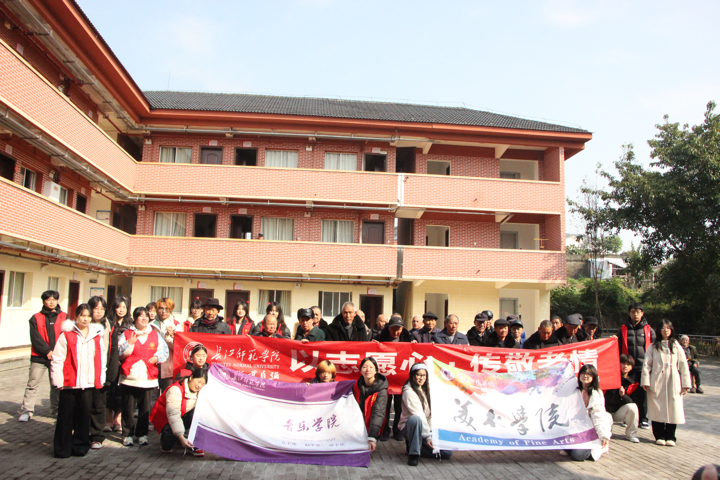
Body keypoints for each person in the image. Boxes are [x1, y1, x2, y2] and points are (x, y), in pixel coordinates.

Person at [51, 304, 107, 458]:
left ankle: (80, 446)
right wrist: (58, 381)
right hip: (69, 383)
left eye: (88, 316)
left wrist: (100, 378)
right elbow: (57, 359)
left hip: (88, 384)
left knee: (83, 417)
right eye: (82, 315)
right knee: (65, 417)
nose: (85, 319)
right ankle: (62, 448)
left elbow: (102, 359)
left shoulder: (96, 336)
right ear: (76, 317)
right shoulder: (66, 335)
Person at [118, 306, 169, 447]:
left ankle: (142, 434)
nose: (144, 318)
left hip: (148, 378)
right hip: (129, 378)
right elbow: (119, 352)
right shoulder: (127, 334)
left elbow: (164, 351)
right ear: (135, 318)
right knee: (128, 409)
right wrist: (129, 344)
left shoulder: (154, 334)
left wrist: (156, 358)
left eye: (146, 316)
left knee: (145, 409)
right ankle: (127, 434)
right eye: (140, 316)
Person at [641, 319, 691, 446]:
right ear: (659, 330)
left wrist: (686, 384)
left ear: (671, 329)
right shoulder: (653, 346)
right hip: (657, 380)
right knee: (657, 408)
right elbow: (647, 365)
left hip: (673, 381)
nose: (666, 330)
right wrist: (646, 381)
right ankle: (659, 435)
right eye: (663, 328)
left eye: (668, 328)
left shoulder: (676, 346)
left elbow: (683, 365)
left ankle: (670, 436)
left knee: (673, 408)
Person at [19, 290, 64, 422]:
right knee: (32, 384)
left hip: (58, 358)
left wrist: (57, 353)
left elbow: (66, 337)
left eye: (54, 299)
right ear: (44, 301)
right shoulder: (35, 318)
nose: (51, 302)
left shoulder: (64, 317)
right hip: (39, 357)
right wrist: (47, 351)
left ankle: (56, 410)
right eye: (48, 299)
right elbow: (35, 338)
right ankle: (27, 410)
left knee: (56, 385)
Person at [398, 363, 452, 466]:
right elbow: (419, 415)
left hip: (426, 428)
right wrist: (428, 437)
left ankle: (415, 446)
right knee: (415, 419)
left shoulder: (427, 388)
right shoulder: (408, 391)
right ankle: (413, 454)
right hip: (410, 427)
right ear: (413, 375)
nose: (421, 378)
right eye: (418, 375)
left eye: (424, 375)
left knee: (447, 453)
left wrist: (432, 433)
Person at [150, 367, 207, 456]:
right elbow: (173, 415)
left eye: (203, 384)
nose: (199, 385)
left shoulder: (202, 391)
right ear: (191, 378)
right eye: (199, 381)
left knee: (199, 415)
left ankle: (194, 443)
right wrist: (181, 436)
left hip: (184, 416)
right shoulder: (175, 390)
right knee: (167, 447)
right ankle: (169, 440)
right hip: (166, 419)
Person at [616, 302, 656, 429]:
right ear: (629, 313)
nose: (635, 314)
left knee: (643, 393)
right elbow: (616, 346)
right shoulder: (623, 329)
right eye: (633, 312)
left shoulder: (649, 330)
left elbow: (655, 348)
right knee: (628, 392)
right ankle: (628, 417)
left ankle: (643, 418)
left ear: (642, 313)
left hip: (644, 367)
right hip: (628, 367)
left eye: (638, 312)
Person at [373, 315, 412, 441]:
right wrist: (373, 345)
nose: (396, 333)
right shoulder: (379, 337)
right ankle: (385, 430)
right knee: (385, 405)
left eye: (398, 330)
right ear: (388, 327)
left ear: (402, 328)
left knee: (399, 407)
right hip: (385, 378)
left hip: (401, 378)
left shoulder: (408, 338)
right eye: (393, 329)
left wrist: (414, 345)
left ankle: (397, 429)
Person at [562, 364, 612, 461]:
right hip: (575, 429)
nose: (585, 376)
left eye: (589, 374)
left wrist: (604, 436)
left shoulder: (596, 394)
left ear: (593, 377)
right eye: (583, 373)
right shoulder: (574, 390)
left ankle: (595, 449)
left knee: (578, 455)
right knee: (562, 449)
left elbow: (599, 416)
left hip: (590, 431)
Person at [87, 296, 118, 449]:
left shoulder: (109, 327)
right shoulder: (83, 325)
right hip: (85, 371)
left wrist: (111, 375)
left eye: (102, 309)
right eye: (96, 308)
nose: (99, 312)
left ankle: (97, 436)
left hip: (102, 371)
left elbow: (113, 352)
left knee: (99, 405)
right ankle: (82, 432)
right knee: (84, 404)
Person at [106, 295, 131, 432]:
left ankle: (118, 418)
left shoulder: (130, 324)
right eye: (118, 307)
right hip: (110, 362)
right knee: (109, 389)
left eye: (124, 307)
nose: (121, 310)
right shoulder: (108, 323)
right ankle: (108, 418)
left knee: (121, 391)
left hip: (125, 362)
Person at [353, 357, 388, 452]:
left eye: (371, 367)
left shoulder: (382, 391)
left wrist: (372, 437)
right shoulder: (356, 387)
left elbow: (378, 414)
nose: (368, 370)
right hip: (357, 428)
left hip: (373, 428)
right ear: (360, 371)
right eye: (365, 367)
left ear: (376, 371)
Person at [604, 354, 641, 443]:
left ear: (631, 367)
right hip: (606, 411)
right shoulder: (610, 377)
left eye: (628, 364)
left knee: (633, 407)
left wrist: (623, 395)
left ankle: (631, 434)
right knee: (606, 433)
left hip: (619, 412)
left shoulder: (633, 381)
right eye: (623, 363)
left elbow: (633, 401)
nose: (625, 366)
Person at [153, 297, 183, 395]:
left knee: (168, 394)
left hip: (168, 365)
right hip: (153, 364)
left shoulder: (176, 325)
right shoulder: (151, 324)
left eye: (167, 309)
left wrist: (169, 337)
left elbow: (178, 348)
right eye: (161, 308)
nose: (164, 312)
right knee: (153, 396)